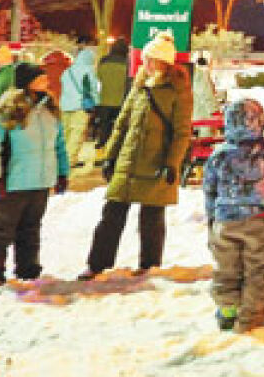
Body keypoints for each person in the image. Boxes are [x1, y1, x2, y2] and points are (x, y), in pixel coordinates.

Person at [79, 30, 193, 279]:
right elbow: (122, 124)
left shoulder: (177, 90)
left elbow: (182, 132)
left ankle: (149, 266)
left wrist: (172, 163)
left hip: (156, 163)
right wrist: (110, 156)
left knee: (151, 219)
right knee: (111, 214)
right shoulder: (139, 85)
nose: (147, 64)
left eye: (152, 60)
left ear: (164, 62)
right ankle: (97, 265)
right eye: (146, 59)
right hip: (128, 161)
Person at [0, 62, 69, 290]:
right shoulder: (3, 111)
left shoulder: (49, 110)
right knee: (1, 230)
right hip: (11, 182)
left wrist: (62, 174)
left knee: (31, 228)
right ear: (27, 82)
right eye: (40, 77)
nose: (46, 80)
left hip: (39, 181)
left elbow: (59, 146)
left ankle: (28, 270)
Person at [203, 98, 264, 332]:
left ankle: (228, 311)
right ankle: (254, 315)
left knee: (226, 268)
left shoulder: (218, 156)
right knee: (256, 270)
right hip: (259, 220)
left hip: (225, 221)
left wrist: (211, 217)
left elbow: (209, 190)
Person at [60, 45, 100, 167]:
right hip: (80, 106)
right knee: (77, 133)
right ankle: (70, 160)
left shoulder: (67, 71)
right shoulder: (88, 70)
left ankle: (62, 159)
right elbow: (93, 89)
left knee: (65, 133)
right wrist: (96, 102)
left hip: (65, 105)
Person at [93, 39, 130, 159]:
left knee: (104, 128)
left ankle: (99, 154)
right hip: (120, 102)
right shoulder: (127, 64)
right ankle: (113, 155)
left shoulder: (103, 62)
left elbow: (97, 79)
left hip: (104, 101)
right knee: (118, 129)